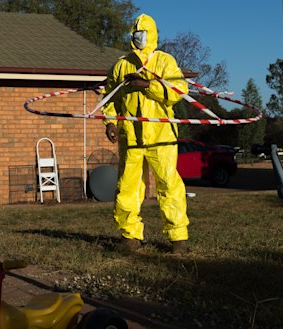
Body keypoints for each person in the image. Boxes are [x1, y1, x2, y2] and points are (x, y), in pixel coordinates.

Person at [101, 14, 189, 254]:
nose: (139, 36)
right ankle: (130, 237)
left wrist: (148, 85)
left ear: (152, 34)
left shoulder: (164, 62)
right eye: (136, 32)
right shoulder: (121, 65)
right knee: (128, 186)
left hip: (161, 135)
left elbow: (179, 90)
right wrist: (110, 122)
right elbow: (110, 97)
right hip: (131, 136)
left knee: (169, 185)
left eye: (143, 32)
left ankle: (178, 239)